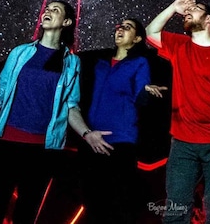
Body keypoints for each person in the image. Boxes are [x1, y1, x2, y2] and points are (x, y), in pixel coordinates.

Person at [0, 0, 81, 223]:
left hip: (43, 151)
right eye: (47, 8)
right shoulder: (20, 53)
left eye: (55, 10)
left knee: (26, 214)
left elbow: (71, 105)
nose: (47, 11)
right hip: (6, 144)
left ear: (66, 22)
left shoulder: (72, 62)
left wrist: (87, 133)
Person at [146, 0, 210, 224]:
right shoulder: (179, 45)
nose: (188, 11)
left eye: (195, 8)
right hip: (183, 144)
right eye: (187, 10)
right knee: (176, 209)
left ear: (209, 18)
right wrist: (173, 7)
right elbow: (150, 32)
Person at [68, 17, 167, 224]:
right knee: (92, 202)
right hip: (91, 140)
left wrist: (146, 91)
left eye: (127, 27)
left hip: (120, 142)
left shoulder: (139, 63)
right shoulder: (99, 64)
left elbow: (141, 92)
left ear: (137, 38)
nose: (120, 29)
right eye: (119, 26)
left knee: (118, 202)